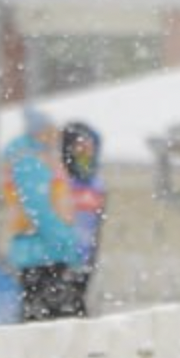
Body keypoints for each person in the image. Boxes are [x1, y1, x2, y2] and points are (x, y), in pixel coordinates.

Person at [2, 108, 90, 321]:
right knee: (56, 318)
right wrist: (65, 243)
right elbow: (39, 208)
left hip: (39, 251)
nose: (55, 138)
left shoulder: (33, 158)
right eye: (51, 132)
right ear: (39, 132)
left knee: (45, 316)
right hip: (43, 252)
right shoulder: (31, 162)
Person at [60, 121, 107, 315]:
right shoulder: (60, 180)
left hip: (85, 259)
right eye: (79, 147)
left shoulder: (97, 184)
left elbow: (97, 224)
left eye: (89, 147)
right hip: (58, 259)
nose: (85, 153)